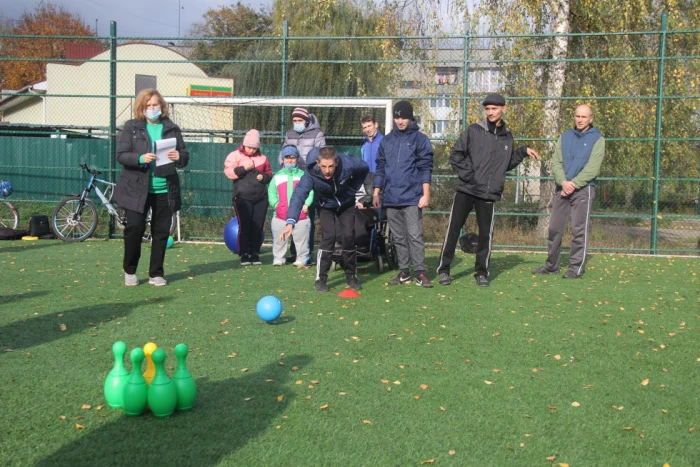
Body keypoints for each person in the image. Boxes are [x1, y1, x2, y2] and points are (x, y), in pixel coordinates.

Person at [436, 93, 540, 287]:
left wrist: (522, 152)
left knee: (486, 235)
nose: (490, 112)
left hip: (489, 193)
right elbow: (455, 155)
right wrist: (470, 177)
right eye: (488, 109)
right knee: (452, 230)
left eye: (494, 109)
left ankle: (481, 273)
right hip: (466, 190)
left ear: (504, 109)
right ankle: (444, 270)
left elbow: (505, 165)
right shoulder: (474, 131)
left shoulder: (507, 137)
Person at [114, 88, 189, 287]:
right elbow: (121, 155)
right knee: (134, 228)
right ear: (141, 108)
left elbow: (184, 155)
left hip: (165, 188)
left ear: (162, 106)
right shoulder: (131, 127)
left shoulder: (172, 128)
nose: (152, 108)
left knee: (161, 231)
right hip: (136, 189)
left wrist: (179, 156)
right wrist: (140, 158)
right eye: (148, 105)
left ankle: (156, 273)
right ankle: (130, 270)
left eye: (155, 104)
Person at [280, 147, 369, 293]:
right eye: (323, 166)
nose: (327, 171)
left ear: (337, 162)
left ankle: (351, 276)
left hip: (346, 204)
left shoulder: (349, 163)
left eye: (330, 166)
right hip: (325, 205)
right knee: (329, 236)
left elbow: (365, 168)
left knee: (348, 236)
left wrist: (353, 189)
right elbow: (298, 195)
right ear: (317, 163)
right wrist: (290, 222)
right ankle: (320, 279)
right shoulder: (311, 173)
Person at [532, 105, 605, 279]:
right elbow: (556, 162)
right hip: (562, 189)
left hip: (583, 190)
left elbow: (593, 169)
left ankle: (575, 268)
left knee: (579, 230)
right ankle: (551, 266)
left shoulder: (598, 139)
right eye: (577, 116)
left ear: (591, 119)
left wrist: (573, 184)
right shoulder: (564, 137)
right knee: (555, 228)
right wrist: (563, 182)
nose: (580, 120)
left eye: (584, 117)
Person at [372, 100, 434, 288]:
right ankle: (404, 272)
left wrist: (426, 194)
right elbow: (380, 167)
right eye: (397, 117)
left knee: (414, 235)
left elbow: (426, 168)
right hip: (391, 197)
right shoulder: (387, 140)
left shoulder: (420, 139)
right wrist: (376, 192)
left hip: (412, 197)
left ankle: (421, 273)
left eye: (403, 117)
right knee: (398, 237)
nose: (400, 121)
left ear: (410, 117)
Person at [278, 107, 326, 264]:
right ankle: (293, 251)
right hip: (292, 178)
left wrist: (313, 172)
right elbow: (283, 153)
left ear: (306, 121)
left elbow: (322, 155)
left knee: (307, 217)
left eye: (299, 121)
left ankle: (308, 252)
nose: (297, 123)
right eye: (294, 121)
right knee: (292, 213)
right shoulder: (290, 134)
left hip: (311, 179)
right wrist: (283, 165)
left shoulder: (317, 134)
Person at [224, 129, 273, 266]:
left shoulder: (263, 158)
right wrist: (243, 168)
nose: (251, 150)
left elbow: (269, 174)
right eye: (249, 147)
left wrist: (264, 177)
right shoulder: (234, 156)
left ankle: (255, 253)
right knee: (245, 226)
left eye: (254, 148)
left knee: (257, 227)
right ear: (244, 144)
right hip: (242, 198)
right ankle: (244, 254)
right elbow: (229, 173)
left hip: (261, 198)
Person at [269, 145, 314, 267]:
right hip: (280, 215)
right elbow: (271, 193)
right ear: (283, 159)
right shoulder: (277, 176)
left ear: (297, 159)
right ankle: (279, 257)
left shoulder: (303, 176)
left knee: (301, 239)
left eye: (293, 157)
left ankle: (302, 258)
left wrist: (306, 204)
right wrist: (276, 205)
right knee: (280, 239)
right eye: (287, 157)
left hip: (301, 215)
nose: (290, 160)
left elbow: (310, 192)